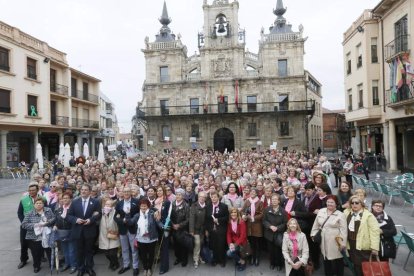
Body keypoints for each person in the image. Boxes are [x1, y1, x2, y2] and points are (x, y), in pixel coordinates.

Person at [67, 184, 102, 276]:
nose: (83, 191)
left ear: (90, 191)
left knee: (89, 251)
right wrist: (76, 220)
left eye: (86, 190)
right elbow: (69, 216)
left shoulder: (95, 202)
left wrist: (91, 220)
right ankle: (81, 269)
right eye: (82, 189)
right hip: (77, 231)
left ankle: (89, 268)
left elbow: (99, 214)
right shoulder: (74, 202)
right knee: (79, 251)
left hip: (90, 230)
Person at [311, 195, 347, 276]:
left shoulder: (340, 214)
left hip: (335, 241)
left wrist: (343, 243)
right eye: (328, 202)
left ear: (336, 204)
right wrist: (313, 235)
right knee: (326, 259)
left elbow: (343, 230)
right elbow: (315, 225)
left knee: (338, 260)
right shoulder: (321, 211)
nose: (329, 204)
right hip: (323, 240)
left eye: (332, 202)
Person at [344, 195, 380, 276]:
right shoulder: (347, 213)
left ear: (361, 204)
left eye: (357, 203)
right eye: (352, 203)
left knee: (364, 266)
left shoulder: (368, 215)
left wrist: (375, 247)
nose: (354, 205)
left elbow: (375, 232)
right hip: (351, 244)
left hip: (363, 246)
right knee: (356, 265)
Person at [21, 197, 56, 273]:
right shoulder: (29, 213)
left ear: (43, 204)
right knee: (36, 253)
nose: (39, 205)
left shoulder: (48, 210)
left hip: (47, 235)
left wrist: (48, 222)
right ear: (34, 205)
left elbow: (54, 218)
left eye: (40, 203)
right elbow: (23, 225)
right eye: (37, 203)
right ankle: (36, 266)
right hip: (34, 237)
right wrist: (36, 225)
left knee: (49, 251)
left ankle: (52, 264)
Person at [126, 198, 158, 276]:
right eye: (142, 206)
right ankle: (145, 268)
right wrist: (127, 214)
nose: (143, 208)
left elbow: (158, 222)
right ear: (139, 206)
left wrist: (164, 227)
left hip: (151, 238)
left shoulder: (152, 213)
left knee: (151, 254)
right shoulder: (137, 215)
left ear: (148, 206)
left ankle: (149, 268)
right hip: (141, 238)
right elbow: (130, 223)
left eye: (145, 206)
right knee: (143, 255)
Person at [114, 186, 140, 275]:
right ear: (122, 193)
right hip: (123, 229)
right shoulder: (119, 203)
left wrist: (132, 221)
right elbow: (115, 217)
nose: (126, 193)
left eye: (128, 191)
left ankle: (135, 267)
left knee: (134, 249)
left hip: (132, 229)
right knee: (124, 249)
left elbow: (139, 214)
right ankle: (126, 265)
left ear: (131, 192)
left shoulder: (136, 202)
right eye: (125, 191)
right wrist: (122, 221)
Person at [17, 182, 43, 269]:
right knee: (23, 244)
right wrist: (24, 223)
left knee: (36, 245)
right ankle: (23, 260)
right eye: (30, 190)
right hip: (25, 226)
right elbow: (20, 213)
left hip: (38, 226)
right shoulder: (23, 200)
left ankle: (37, 263)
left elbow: (45, 211)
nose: (31, 192)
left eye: (33, 190)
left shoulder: (42, 199)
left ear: (37, 190)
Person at [54, 191, 77, 274]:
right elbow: (57, 220)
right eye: (63, 198)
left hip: (71, 232)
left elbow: (75, 220)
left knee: (72, 251)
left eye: (67, 198)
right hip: (62, 233)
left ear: (71, 199)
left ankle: (73, 265)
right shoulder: (59, 209)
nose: (65, 199)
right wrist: (55, 225)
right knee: (65, 250)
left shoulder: (74, 209)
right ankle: (67, 264)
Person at [263, 193, 288, 271]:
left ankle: (279, 264)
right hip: (269, 233)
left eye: (275, 199)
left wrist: (277, 228)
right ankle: (272, 263)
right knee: (271, 250)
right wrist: (270, 226)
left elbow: (285, 223)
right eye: (272, 199)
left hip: (279, 233)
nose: (273, 201)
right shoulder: (267, 209)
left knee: (278, 250)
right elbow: (264, 221)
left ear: (279, 201)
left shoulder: (283, 211)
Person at [205, 191, 229, 267]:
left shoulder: (224, 206)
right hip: (211, 229)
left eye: (215, 197)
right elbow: (206, 219)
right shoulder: (208, 206)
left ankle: (222, 260)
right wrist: (207, 229)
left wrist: (218, 220)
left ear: (218, 197)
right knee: (214, 245)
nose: (213, 198)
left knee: (221, 245)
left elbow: (226, 217)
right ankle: (215, 260)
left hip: (221, 228)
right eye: (212, 197)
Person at [241, 188, 264, 266]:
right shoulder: (247, 201)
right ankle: (251, 257)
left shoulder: (260, 202)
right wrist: (244, 215)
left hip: (257, 225)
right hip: (248, 225)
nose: (252, 193)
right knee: (250, 243)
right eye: (251, 192)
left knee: (257, 243)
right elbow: (242, 211)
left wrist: (254, 218)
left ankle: (256, 258)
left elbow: (262, 213)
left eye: (254, 192)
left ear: (257, 193)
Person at [98, 199, 120, 271]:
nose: (107, 206)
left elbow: (119, 222)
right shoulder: (102, 213)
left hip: (113, 235)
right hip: (104, 236)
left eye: (109, 205)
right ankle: (112, 262)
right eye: (106, 204)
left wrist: (117, 231)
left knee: (112, 253)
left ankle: (116, 263)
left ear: (112, 206)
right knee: (107, 254)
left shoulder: (116, 212)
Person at [171, 188, 190, 267]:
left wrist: (179, 225)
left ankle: (184, 260)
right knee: (176, 245)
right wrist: (172, 224)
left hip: (182, 229)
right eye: (177, 194)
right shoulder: (172, 203)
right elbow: (169, 216)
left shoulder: (186, 205)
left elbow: (188, 219)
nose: (178, 196)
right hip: (173, 228)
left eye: (180, 195)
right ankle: (178, 258)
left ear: (183, 196)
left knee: (183, 245)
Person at [189, 191, 207, 268]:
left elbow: (208, 219)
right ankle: (195, 260)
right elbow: (191, 219)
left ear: (205, 198)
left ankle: (199, 257)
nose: (202, 198)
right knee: (197, 244)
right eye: (200, 196)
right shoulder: (194, 206)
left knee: (201, 244)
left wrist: (206, 230)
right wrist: (191, 231)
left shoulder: (207, 206)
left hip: (203, 230)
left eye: (204, 197)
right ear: (198, 197)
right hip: (195, 229)